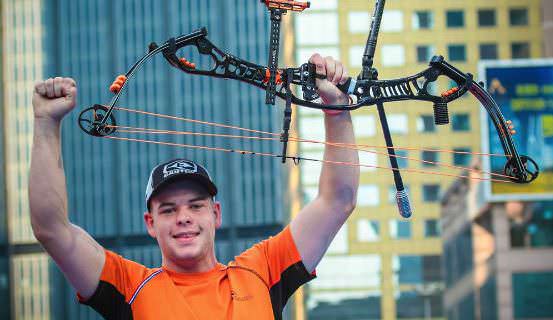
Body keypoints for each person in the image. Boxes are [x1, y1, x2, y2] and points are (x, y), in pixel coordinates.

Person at [29, 53, 359, 319]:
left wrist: (336, 110)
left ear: (216, 214)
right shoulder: (130, 286)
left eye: (196, 205)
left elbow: (337, 201)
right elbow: (52, 229)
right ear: (150, 223)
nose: (184, 217)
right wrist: (46, 123)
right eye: (168, 209)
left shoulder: (263, 269)